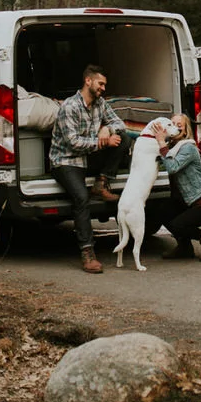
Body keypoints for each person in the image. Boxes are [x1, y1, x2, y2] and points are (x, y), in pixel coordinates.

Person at [49, 64, 131, 274]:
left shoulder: (100, 103)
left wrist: (107, 128)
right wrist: (101, 142)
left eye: (104, 85)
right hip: (66, 161)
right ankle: (88, 253)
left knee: (123, 140)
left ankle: (101, 182)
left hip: (88, 157)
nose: (103, 88)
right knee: (81, 198)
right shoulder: (70, 107)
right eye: (100, 83)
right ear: (88, 81)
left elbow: (120, 124)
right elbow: (73, 143)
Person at [153, 113, 201, 261]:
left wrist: (161, 144)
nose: (175, 128)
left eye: (180, 125)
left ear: (185, 131)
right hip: (188, 201)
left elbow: (172, 167)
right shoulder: (171, 148)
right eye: (172, 124)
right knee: (161, 210)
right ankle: (184, 248)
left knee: (179, 225)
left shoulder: (188, 148)